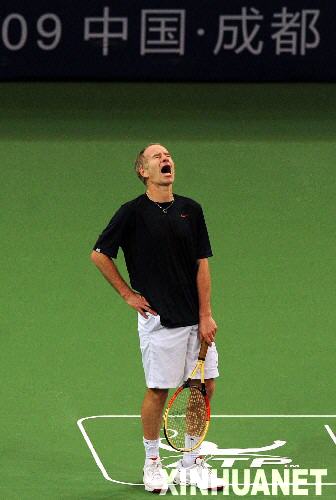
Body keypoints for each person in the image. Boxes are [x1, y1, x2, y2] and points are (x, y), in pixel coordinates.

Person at [91, 143, 223, 492]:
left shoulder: (190, 210)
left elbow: (202, 265)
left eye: (168, 156)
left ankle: (190, 463)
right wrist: (127, 294)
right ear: (143, 172)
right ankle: (152, 463)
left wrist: (206, 315)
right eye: (156, 157)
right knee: (158, 390)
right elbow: (100, 254)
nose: (166, 159)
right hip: (160, 321)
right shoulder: (131, 213)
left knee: (203, 387)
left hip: (196, 321)